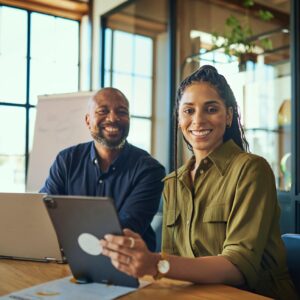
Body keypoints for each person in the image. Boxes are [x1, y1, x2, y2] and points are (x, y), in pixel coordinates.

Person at [100, 66, 298, 299]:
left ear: (229, 116)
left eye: (211, 109)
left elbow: (237, 267)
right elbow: (173, 263)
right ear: (179, 119)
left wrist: (155, 263)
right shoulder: (173, 183)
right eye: (188, 111)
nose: (198, 120)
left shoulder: (252, 170)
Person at [40, 87, 166, 252]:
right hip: (68, 260)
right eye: (103, 111)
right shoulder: (67, 160)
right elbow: (45, 212)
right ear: (87, 120)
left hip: (128, 266)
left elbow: (125, 231)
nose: (113, 118)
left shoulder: (150, 170)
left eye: (121, 112)